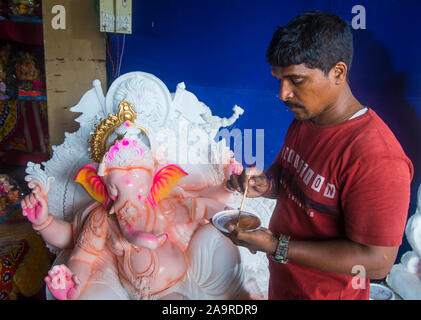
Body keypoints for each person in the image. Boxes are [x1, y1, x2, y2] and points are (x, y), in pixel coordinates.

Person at [225, 10, 414, 300]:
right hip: (285, 286)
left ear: (338, 72)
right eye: (279, 80)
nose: (283, 93)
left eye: (296, 80)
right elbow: (288, 177)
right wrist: (266, 184)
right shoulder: (306, 118)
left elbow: (377, 261)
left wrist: (277, 246)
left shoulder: (376, 157)